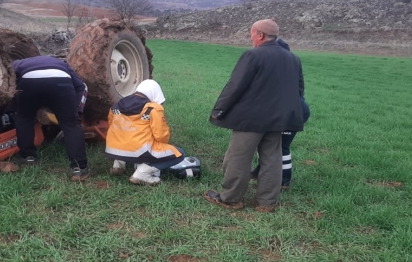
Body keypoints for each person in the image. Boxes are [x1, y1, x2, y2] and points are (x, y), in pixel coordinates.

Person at [204, 19, 305, 212]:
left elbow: (235, 86)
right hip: (277, 120)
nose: (251, 37)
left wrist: (219, 110)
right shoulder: (293, 59)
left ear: (259, 35)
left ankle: (231, 199)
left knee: (238, 158)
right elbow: (298, 91)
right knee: (272, 158)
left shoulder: (253, 55)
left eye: (251, 33)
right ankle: (266, 202)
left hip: (250, 119)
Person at [11, 55, 90, 182]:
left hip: (29, 83)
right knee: (71, 125)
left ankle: (28, 157)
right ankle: (80, 168)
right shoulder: (62, 64)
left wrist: (14, 105)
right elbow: (82, 86)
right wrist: (77, 110)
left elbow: (6, 80)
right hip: (61, 82)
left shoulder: (18, 63)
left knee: (24, 118)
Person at [250, 38, 311, 190]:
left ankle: (284, 180)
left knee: (282, 147)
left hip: (290, 112)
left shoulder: (279, 68)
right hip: (290, 110)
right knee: (268, 144)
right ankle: (260, 171)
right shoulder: (289, 66)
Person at [105, 79, 185, 186]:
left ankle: (118, 165)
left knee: (123, 137)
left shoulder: (117, 105)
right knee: (179, 153)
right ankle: (142, 174)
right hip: (139, 151)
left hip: (112, 149)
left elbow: (112, 125)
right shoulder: (153, 109)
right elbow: (161, 136)